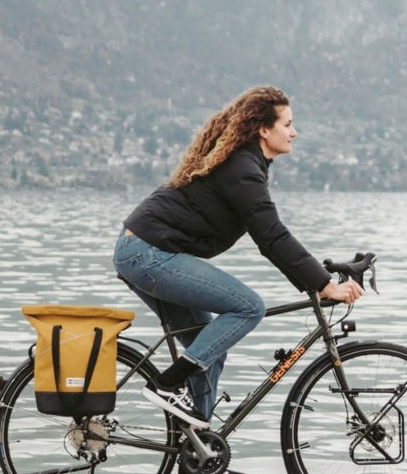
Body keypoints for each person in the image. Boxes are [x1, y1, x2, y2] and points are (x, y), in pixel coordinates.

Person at [113, 86, 362, 438]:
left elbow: (271, 232)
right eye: (288, 124)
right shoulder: (242, 168)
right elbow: (272, 236)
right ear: (264, 129)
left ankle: (197, 451)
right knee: (248, 307)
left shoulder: (245, 165)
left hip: (145, 250)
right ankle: (168, 384)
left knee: (210, 349)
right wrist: (324, 285)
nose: (294, 132)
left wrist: (329, 272)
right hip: (148, 253)